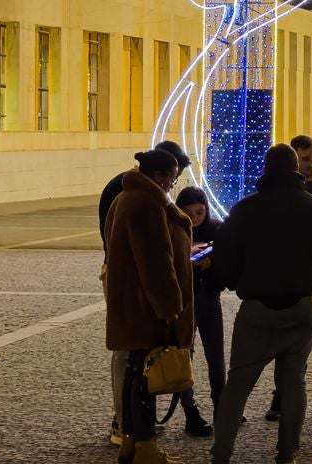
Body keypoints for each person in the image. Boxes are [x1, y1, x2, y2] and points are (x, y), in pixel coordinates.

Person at [209, 143, 312, 464]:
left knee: (238, 383)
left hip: (257, 309)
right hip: (303, 307)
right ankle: (287, 453)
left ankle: (221, 454)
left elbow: (223, 257)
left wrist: (234, 281)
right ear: (295, 171)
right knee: (294, 382)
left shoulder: (245, 210)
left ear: (266, 170)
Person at [104, 147, 196, 464]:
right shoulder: (146, 204)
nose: (173, 185)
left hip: (131, 304)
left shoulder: (125, 199)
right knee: (145, 379)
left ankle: (131, 441)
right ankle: (146, 447)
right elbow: (156, 263)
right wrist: (169, 307)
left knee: (134, 374)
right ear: (159, 177)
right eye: (172, 179)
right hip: (146, 309)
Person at [268, 135, 312, 424]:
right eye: (306, 158)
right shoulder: (281, 193)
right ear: (294, 160)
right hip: (289, 277)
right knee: (285, 341)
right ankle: (280, 398)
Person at [175, 186, 226, 437]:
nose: (195, 218)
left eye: (199, 212)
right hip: (184, 304)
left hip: (209, 299)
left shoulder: (216, 229)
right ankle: (190, 411)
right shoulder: (174, 231)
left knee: (216, 357)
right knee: (185, 359)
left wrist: (212, 263)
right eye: (188, 213)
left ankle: (222, 407)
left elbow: (227, 266)